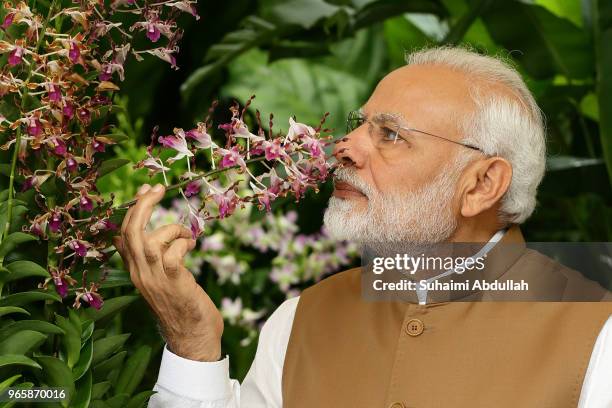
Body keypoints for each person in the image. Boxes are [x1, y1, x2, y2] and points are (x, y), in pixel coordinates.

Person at [114, 46, 612, 408]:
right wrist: (193, 345)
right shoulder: (299, 320)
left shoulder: (597, 338)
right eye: (359, 124)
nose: (344, 147)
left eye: (390, 134)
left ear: (482, 184)